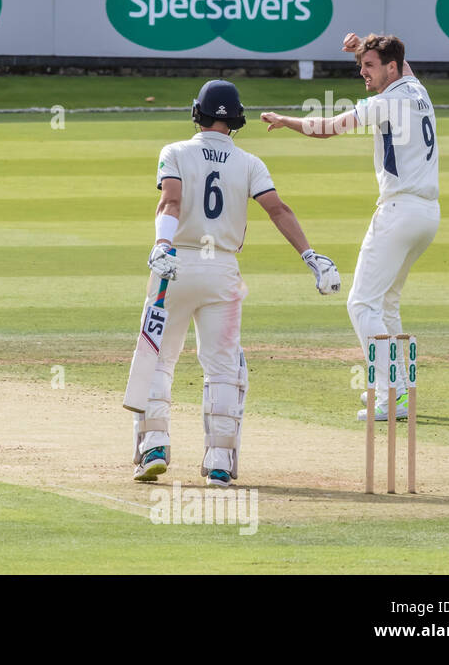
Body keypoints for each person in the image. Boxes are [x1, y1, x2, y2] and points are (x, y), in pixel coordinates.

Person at [132, 80, 340, 487]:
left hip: (174, 264)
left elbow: (170, 202)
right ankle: (220, 462)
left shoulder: (174, 152)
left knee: (158, 358)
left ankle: (154, 446)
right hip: (222, 272)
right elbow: (277, 210)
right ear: (237, 120)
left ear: (198, 113)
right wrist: (310, 256)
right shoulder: (249, 162)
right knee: (223, 369)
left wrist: (161, 244)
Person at [260, 33, 438, 422]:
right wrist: (364, 45)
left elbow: (329, 126)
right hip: (427, 214)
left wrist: (286, 120)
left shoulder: (387, 101)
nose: (362, 72)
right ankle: (398, 390)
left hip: (400, 210)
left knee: (360, 303)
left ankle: (392, 393)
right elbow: (400, 58)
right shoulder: (416, 87)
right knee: (386, 303)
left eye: (369, 66)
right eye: (361, 65)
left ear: (390, 67)